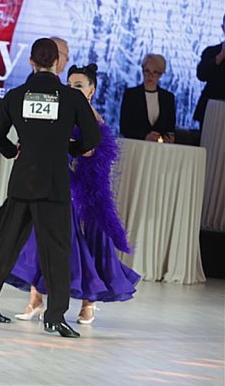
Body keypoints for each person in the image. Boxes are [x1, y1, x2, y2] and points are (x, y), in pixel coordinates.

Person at [0, 37, 100, 338]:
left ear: (31, 61)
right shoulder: (71, 98)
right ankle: (54, 316)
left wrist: (12, 151)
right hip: (53, 184)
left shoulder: (16, 96)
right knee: (57, 252)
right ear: (56, 62)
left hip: (22, 182)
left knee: (6, 247)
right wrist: (70, 148)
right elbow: (93, 138)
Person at [8, 64, 140, 324]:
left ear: (91, 91)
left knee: (88, 242)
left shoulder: (94, 119)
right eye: (69, 85)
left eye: (78, 86)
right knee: (39, 237)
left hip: (85, 189)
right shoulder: (62, 110)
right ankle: (35, 299)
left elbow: (91, 154)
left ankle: (88, 302)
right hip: (57, 182)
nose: (72, 90)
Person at [0, 36, 69, 270]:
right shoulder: (39, 85)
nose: (66, 61)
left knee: (18, 209)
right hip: (35, 159)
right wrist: (14, 151)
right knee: (19, 210)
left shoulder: (54, 86)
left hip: (42, 159)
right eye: (64, 55)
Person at [119, 54, 176, 142]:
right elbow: (124, 127)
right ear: (142, 71)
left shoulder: (168, 98)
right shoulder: (131, 95)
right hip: (136, 146)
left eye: (155, 72)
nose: (150, 75)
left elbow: (170, 128)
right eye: (147, 71)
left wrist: (168, 138)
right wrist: (145, 137)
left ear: (161, 74)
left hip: (160, 148)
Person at [195, 14, 225, 128]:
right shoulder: (211, 52)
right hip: (211, 109)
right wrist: (220, 56)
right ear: (223, 27)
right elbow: (201, 75)